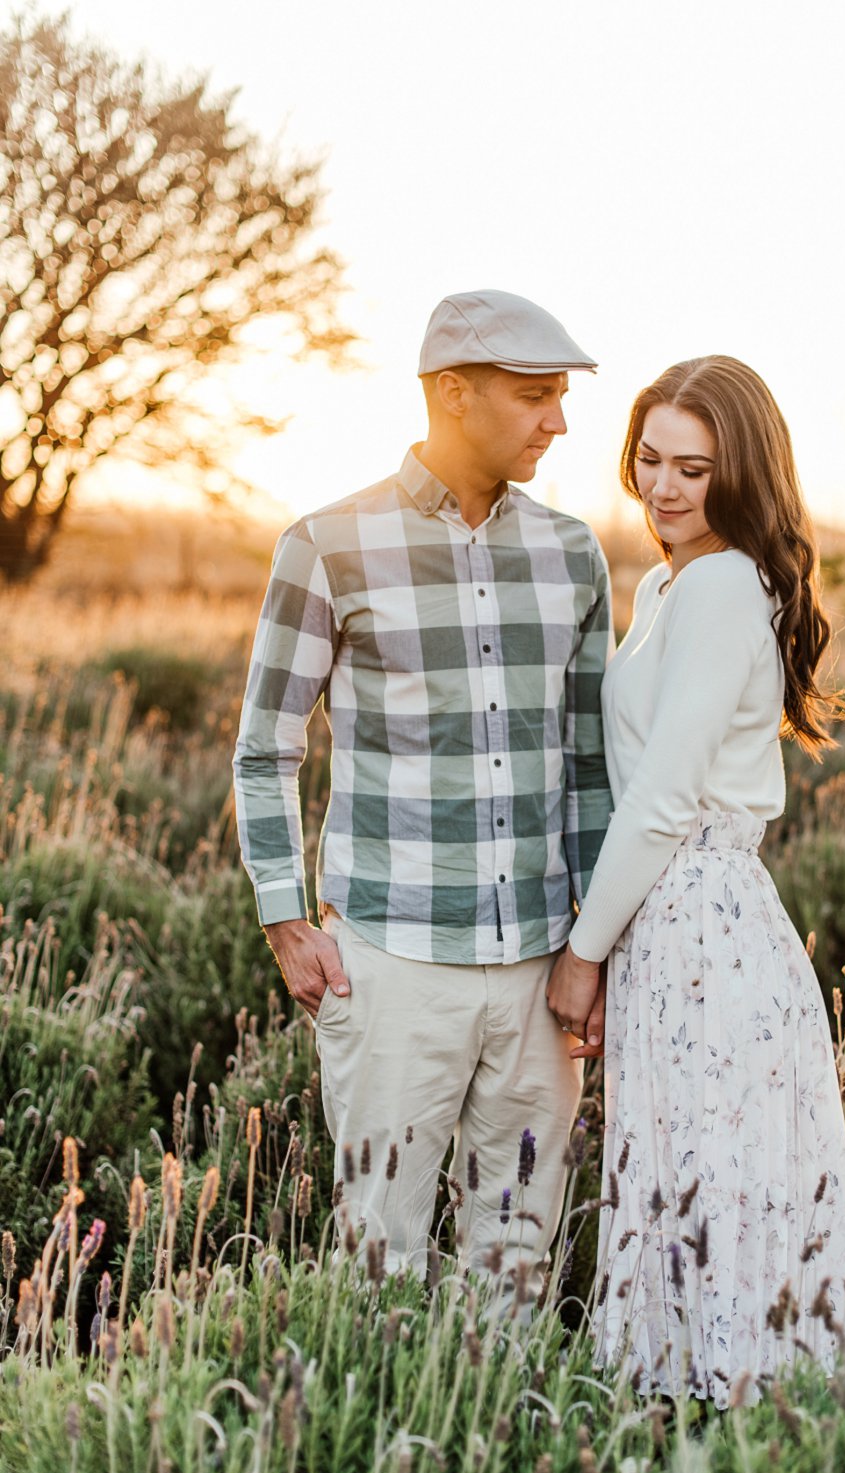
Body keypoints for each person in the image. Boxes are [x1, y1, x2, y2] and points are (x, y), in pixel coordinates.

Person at [547, 355, 845, 1403]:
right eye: (650, 457)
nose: (663, 487)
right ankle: (697, 1408)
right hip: (668, 918)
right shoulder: (669, 581)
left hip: (702, 916)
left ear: (742, 475)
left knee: (720, 1187)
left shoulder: (717, 584)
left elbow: (664, 796)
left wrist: (581, 957)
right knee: (692, 1182)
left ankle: (748, 1415)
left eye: (695, 469)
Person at [233, 289, 613, 1300]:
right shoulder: (326, 543)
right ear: (453, 393)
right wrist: (284, 919)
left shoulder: (573, 555)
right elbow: (265, 746)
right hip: (392, 968)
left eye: (560, 398)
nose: (558, 421)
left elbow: (590, 770)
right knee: (379, 1263)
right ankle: (375, 1461)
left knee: (518, 1265)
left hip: (542, 975)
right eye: (535, 396)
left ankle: (496, 1457)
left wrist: (601, 949)